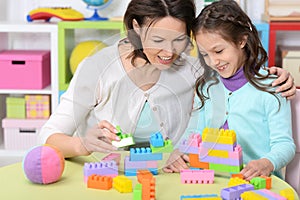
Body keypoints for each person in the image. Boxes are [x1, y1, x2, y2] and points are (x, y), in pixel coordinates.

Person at [40, 0, 295, 161]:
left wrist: (275, 73)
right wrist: (82, 144)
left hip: (169, 181)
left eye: (180, 40)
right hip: (109, 178)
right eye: (158, 40)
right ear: (137, 29)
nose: (169, 52)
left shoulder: (196, 70)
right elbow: (49, 137)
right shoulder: (97, 69)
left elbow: (236, 70)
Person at [171, 0, 295, 180]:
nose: (213, 62)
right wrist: (179, 151)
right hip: (212, 179)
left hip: (256, 182)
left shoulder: (272, 87)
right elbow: (194, 133)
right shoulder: (207, 86)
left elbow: (284, 144)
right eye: (205, 54)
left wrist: (267, 162)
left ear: (242, 40)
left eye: (219, 51)